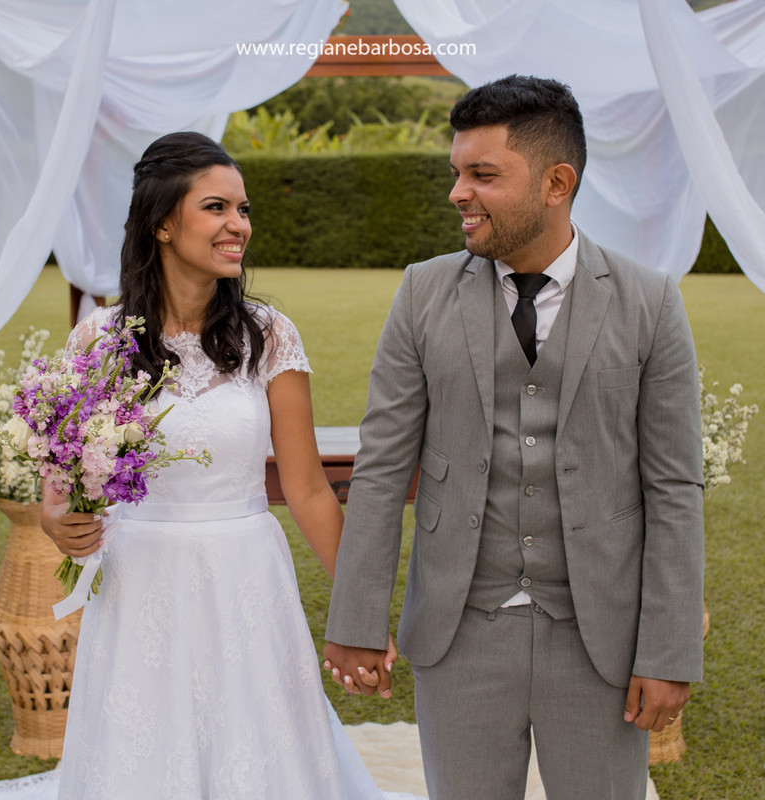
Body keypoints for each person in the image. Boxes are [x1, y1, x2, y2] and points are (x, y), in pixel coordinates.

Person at [323, 75, 705, 800]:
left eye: (482, 175)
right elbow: (379, 471)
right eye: (456, 173)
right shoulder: (422, 293)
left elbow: (674, 488)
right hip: (460, 631)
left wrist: (669, 650)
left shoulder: (649, 302)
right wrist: (357, 620)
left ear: (557, 182)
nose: (458, 192)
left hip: (600, 638)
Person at [40, 131, 397, 799]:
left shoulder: (270, 335)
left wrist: (361, 613)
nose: (239, 225)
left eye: (244, 209)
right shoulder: (98, 339)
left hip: (245, 577)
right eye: (217, 208)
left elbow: (310, 491)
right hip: (138, 580)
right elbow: (57, 491)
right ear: (163, 224)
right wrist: (62, 524)